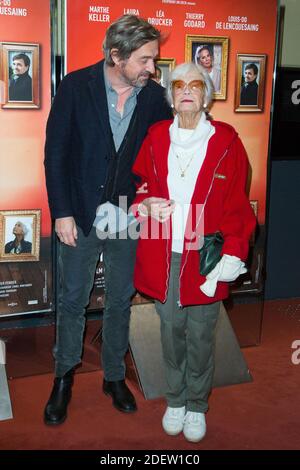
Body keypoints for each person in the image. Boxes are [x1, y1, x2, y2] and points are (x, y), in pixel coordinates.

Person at [43, 14, 173, 426]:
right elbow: (56, 155)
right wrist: (61, 212)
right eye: (144, 60)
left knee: (120, 299)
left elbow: (161, 159)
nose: (151, 69)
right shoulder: (75, 87)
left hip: (128, 213)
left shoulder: (153, 97)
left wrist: (148, 200)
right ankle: (63, 376)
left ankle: (113, 375)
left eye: (153, 59)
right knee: (73, 300)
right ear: (116, 55)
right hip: (80, 211)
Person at [131, 62, 256, 442]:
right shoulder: (154, 137)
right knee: (170, 332)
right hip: (164, 253)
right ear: (171, 95)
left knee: (201, 336)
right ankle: (176, 400)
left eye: (196, 85)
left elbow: (237, 206)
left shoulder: (227, 141)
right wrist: (144, 206)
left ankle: (197, 404)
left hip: (204, 256)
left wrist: (234, 251)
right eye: (179, 85)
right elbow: (140, 188)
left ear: (207, 95)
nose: (186, 90)